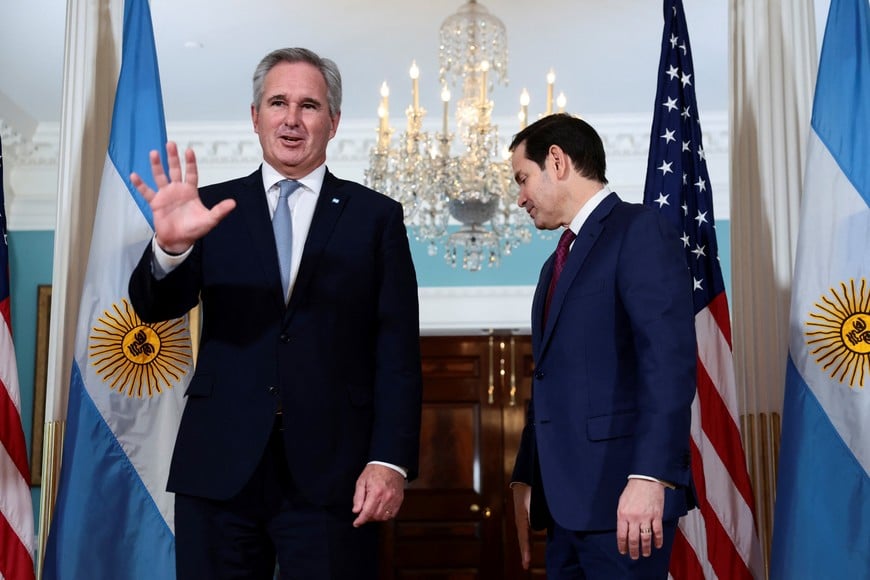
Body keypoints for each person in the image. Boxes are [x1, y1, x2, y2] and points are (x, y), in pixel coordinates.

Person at [127, 47, 423, 579]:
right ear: (254, 116)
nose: (291, 119)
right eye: (278, 102)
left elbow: (397, 352)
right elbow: (155, 309)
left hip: (337, 473)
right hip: (219, 465)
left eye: (309, 106)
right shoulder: (208, 210)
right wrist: (170, 250)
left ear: (332, 122)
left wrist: (390, 460)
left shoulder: (375, 217)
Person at [508, 113, 697, 578]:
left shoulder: (639, 230)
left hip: (624, 503)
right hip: (565, 510)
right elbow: (552, 378)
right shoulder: (553, 267)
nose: (520, 198)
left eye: (522, 179)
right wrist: (526, 475)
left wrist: (650, 477)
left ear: (556, 161)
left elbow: (667, 364)